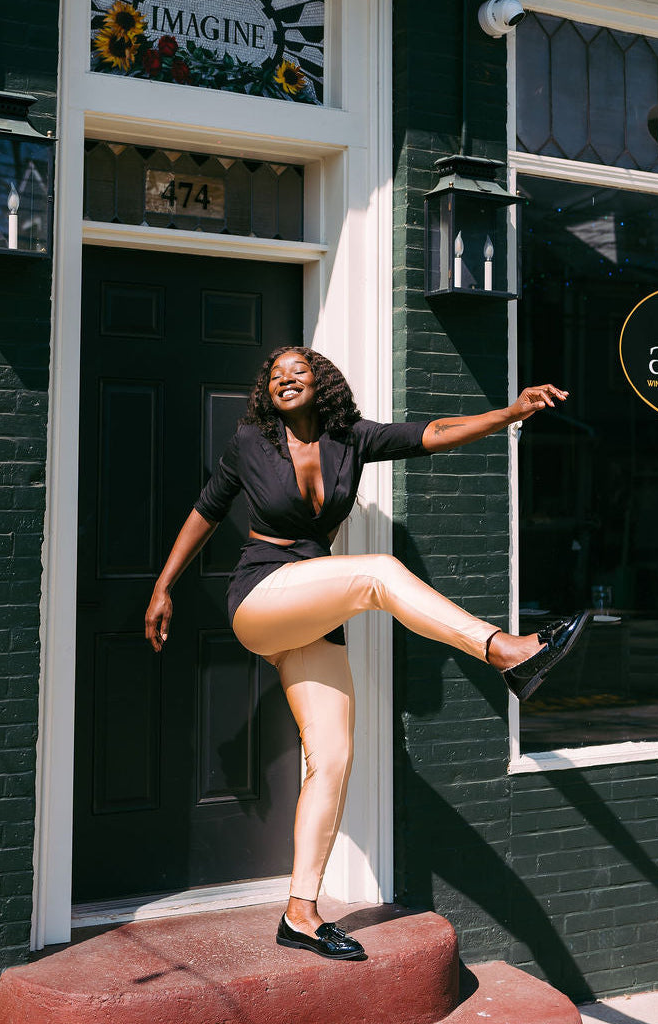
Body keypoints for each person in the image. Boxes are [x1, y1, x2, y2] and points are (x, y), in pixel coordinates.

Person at [144, 346, 588, 961]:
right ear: (266, 393)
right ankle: (504, 651)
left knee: (332, 758)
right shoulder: (249, 442)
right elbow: (205, 509)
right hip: (262, 596)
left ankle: (300, 913)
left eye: (298, 370)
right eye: (275, 375)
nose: (285, 379)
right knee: (377, 572)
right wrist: (163, 587)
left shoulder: (351, 439)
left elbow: (433, 434)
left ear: (321, 381)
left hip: (314, 609)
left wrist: (509, 412)